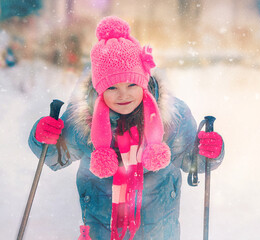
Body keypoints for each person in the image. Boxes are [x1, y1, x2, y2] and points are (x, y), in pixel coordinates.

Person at [28, 16, 224, 240]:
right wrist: (43, 138)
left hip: (159, 233)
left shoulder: (173, 117)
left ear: (144, 81)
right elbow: (56, 158)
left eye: (132, 84)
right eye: (112, 87)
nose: (123, 95)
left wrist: (209, 151)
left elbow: (194, 163)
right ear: (99, 89)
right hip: (102, 231)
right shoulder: (83, 120)